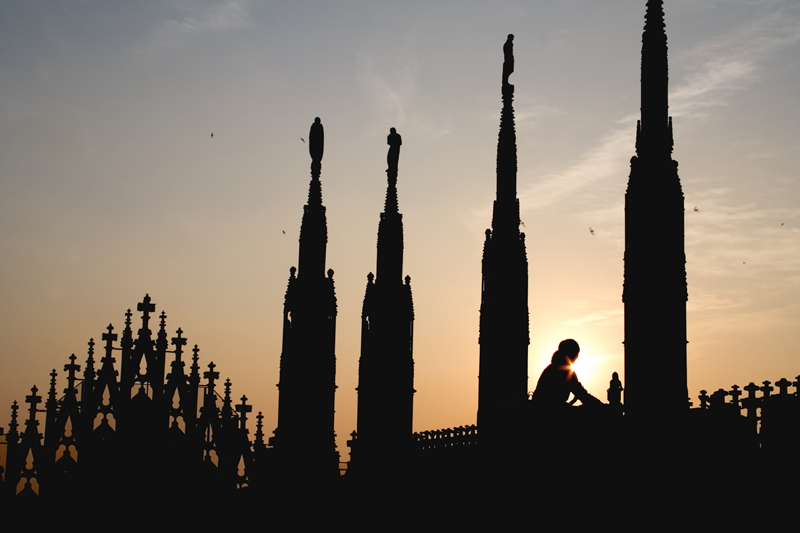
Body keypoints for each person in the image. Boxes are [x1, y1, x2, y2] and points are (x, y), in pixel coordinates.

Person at [532, 339, 602, 409]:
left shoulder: (551, 368)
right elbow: (582, 395)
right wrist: (601, 406)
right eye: (576, 353)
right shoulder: (565, 371)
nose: (577, 356)